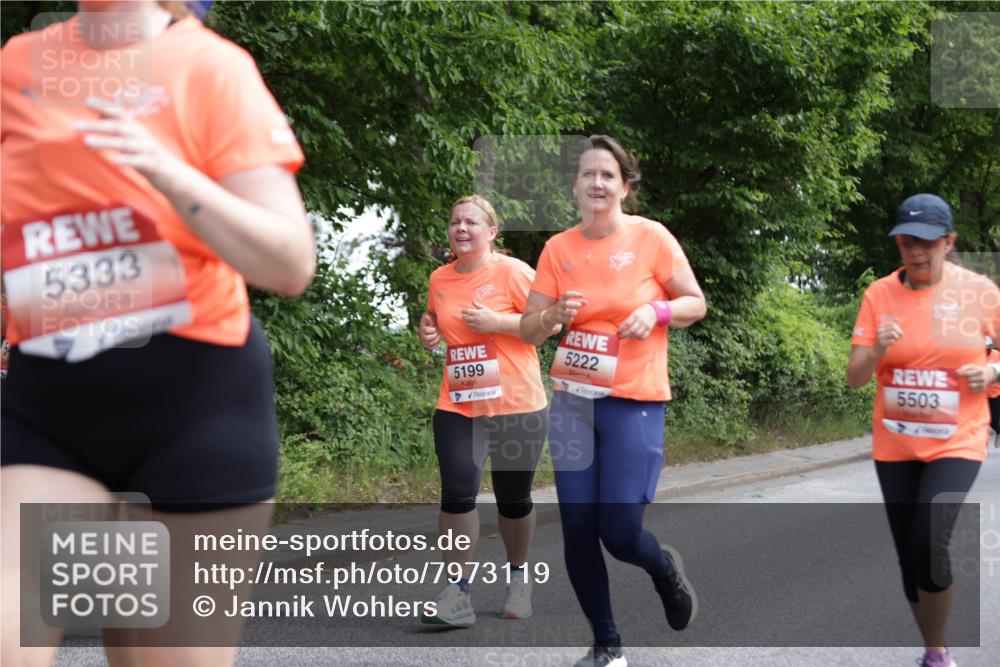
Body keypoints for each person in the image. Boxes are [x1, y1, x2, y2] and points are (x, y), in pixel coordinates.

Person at [1, 1, 314, 665]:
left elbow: (290, 263)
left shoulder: (212, 68)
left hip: (195, 411)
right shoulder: (17, 65)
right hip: (53, 409)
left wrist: (169, 172)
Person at [520, 135, 707, 667]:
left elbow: (695, 301)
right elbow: (531, 330)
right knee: (578, 529)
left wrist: (657, 313)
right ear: (575, 187)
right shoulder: (558, 249)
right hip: (574, 401)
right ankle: (607, 645)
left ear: (625, 185)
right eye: (587, 174)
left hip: (634, 400)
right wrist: (553, 316)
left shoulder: (651, 238)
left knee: (620, 532)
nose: (596, 183)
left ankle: (664, 571)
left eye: (607, 174)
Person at [846, 193, 999, 667]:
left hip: (960, 437)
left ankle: (937, 654)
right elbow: (854, 377)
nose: (915, 251)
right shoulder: (878, 295)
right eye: (906, 241)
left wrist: (994, 372)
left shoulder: (981, 292)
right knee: (909, 557)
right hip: (896, 443)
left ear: (949, 241)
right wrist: (877, 351)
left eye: (927, 242)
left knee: (929, 542)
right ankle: (935, 645)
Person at [417, 195, 548, 626]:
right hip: (459, 402)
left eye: (471, 222)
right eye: (455, 221)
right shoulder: (440, 277)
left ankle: (518, 577)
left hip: (516, 404)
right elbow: (437, 318)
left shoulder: (512, 272)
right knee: (457, 493)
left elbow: (549, 324)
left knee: (513, 499)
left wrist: (500, 323)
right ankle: (457, 593)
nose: (461, 228)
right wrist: (428, 329)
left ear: (491, 232)